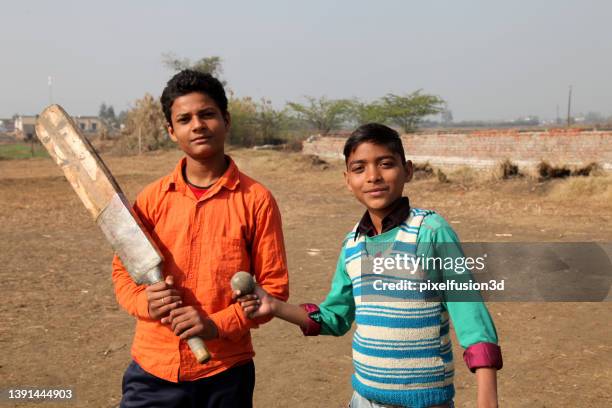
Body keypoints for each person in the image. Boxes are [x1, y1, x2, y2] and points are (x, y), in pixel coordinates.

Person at [237, 123, 502, 408]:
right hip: (363, 400)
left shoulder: (429, 232)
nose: (373, 177)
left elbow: (470, 315)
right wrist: (275, 307)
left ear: (408, 170)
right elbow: (335, 318)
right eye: (359, 168)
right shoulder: (352, 244)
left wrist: (487, 400)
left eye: (385, 164)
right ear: (347, 179)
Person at [112, 69, 289, 408]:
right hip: (153, 369)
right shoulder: (151, 200)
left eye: (207, 114)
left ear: (226, 120)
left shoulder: (256, 200)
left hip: (226, 372)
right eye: (185, 119)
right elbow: (123, 273)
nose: (197, 125)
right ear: (171, 130)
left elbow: (274, 290)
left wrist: (214, 324)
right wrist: (147, 302)